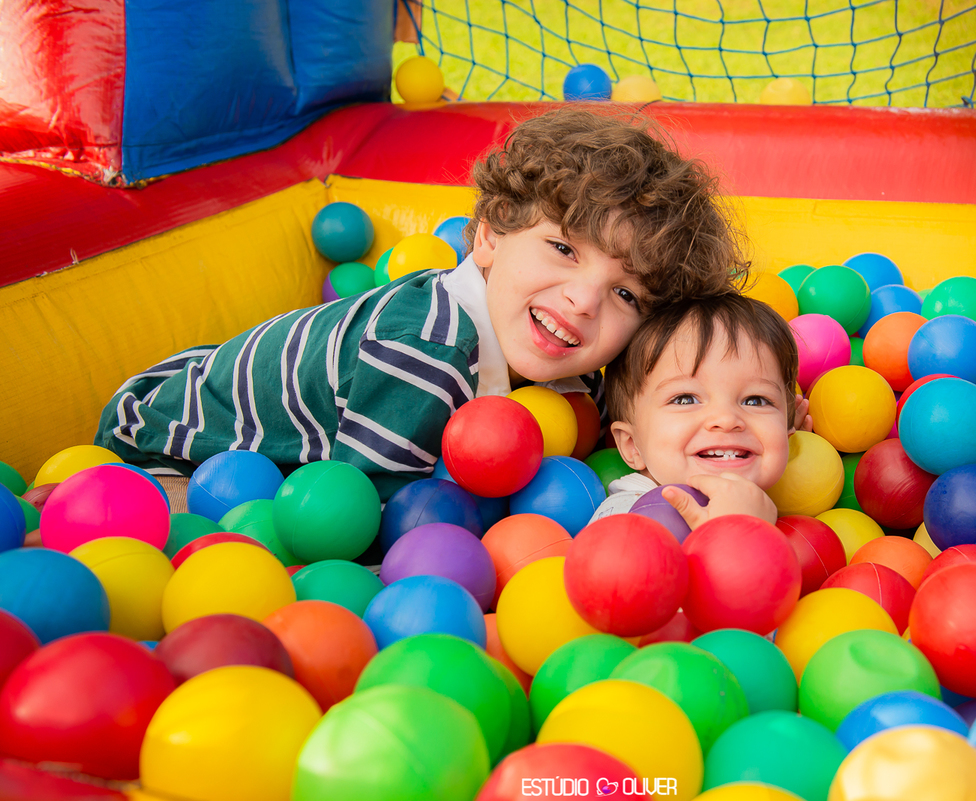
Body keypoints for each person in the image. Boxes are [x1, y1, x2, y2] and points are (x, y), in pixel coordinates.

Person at [94, 108, 748, 503]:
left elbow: (635, 432)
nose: (582, 300)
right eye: (563, 249)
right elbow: (374, 519)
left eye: (625, 293)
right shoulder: (424, 355)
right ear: (488, 236)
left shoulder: (571, 362)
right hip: (169, 433)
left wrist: (755, 412)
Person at [594, 292, 810, 529]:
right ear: (632, 445)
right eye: (685, 400)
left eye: (756, 401)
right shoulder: (629, 517)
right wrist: (743, 529)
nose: (727, 420)